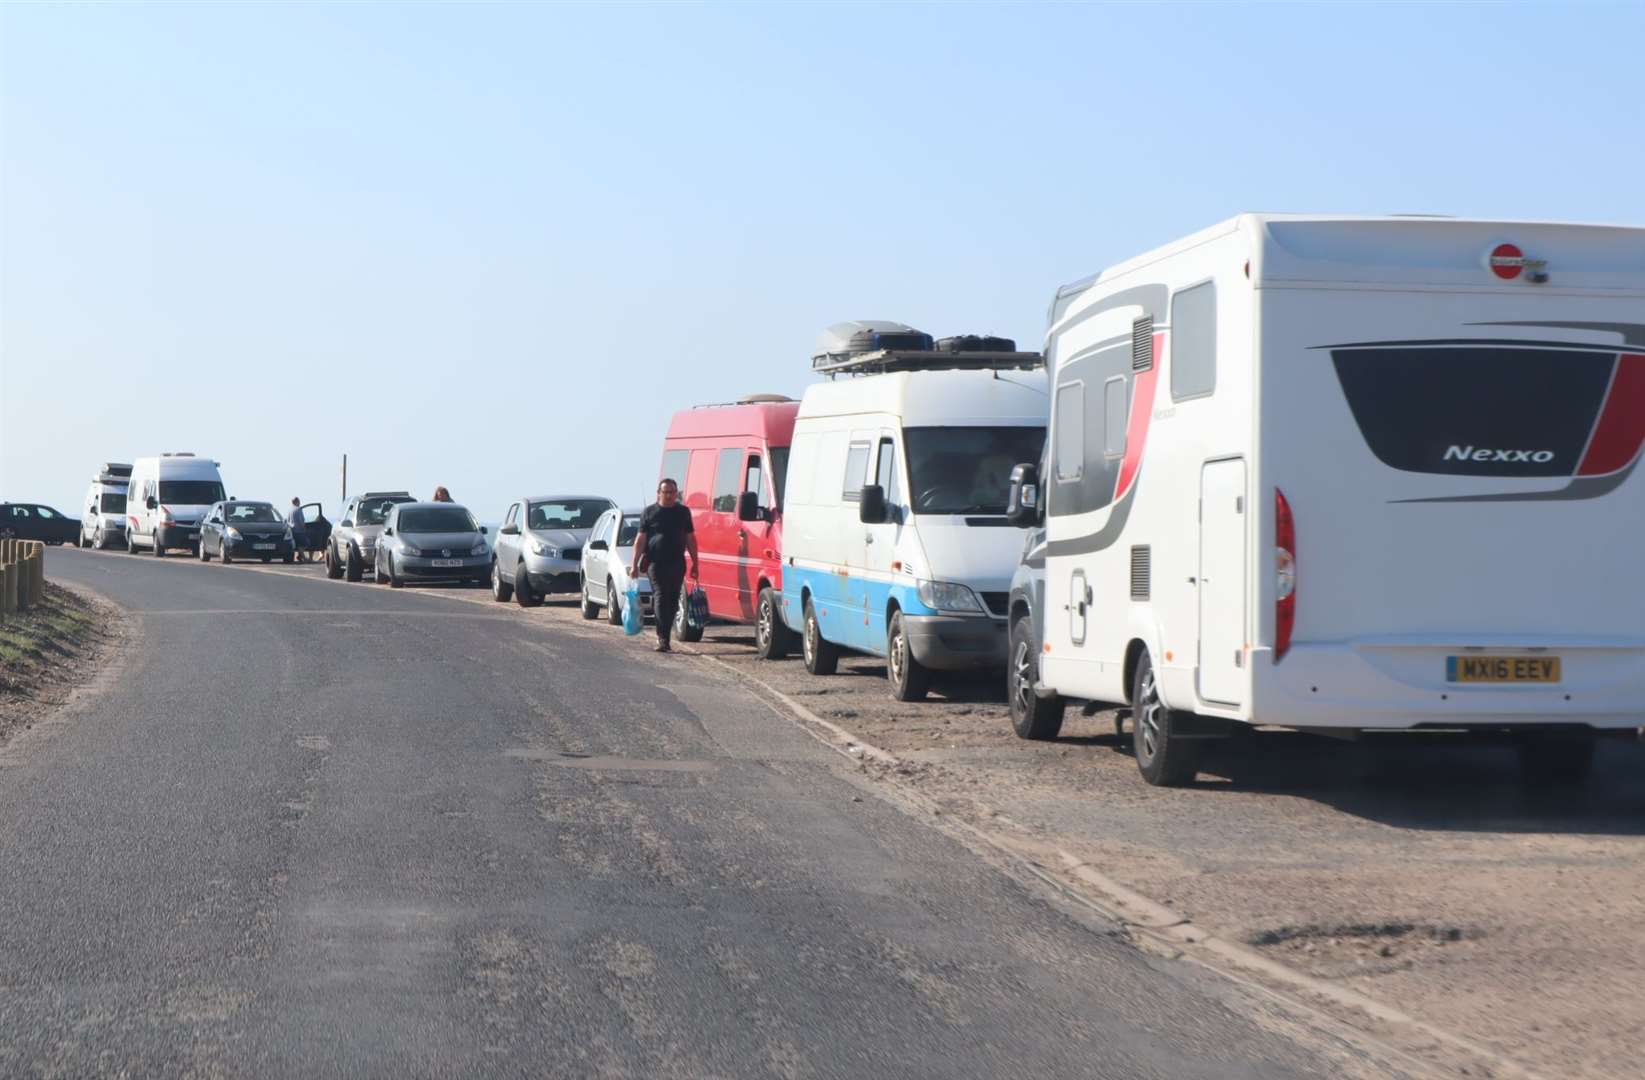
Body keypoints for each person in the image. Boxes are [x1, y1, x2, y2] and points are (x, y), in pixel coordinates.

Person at [630, 478, 699, 653]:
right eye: (665, 492)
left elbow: (690, 538)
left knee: (673, 600)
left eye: (672, 492)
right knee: (660, 597)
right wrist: (634, 564)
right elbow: (640, 539)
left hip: (677, 563)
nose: (669, 495)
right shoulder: (650, 512)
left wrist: (695, 563)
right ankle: (663, 639)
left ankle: (666, 634)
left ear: (676, 493)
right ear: (659, 493)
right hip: (655, 563)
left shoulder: (683, 512)